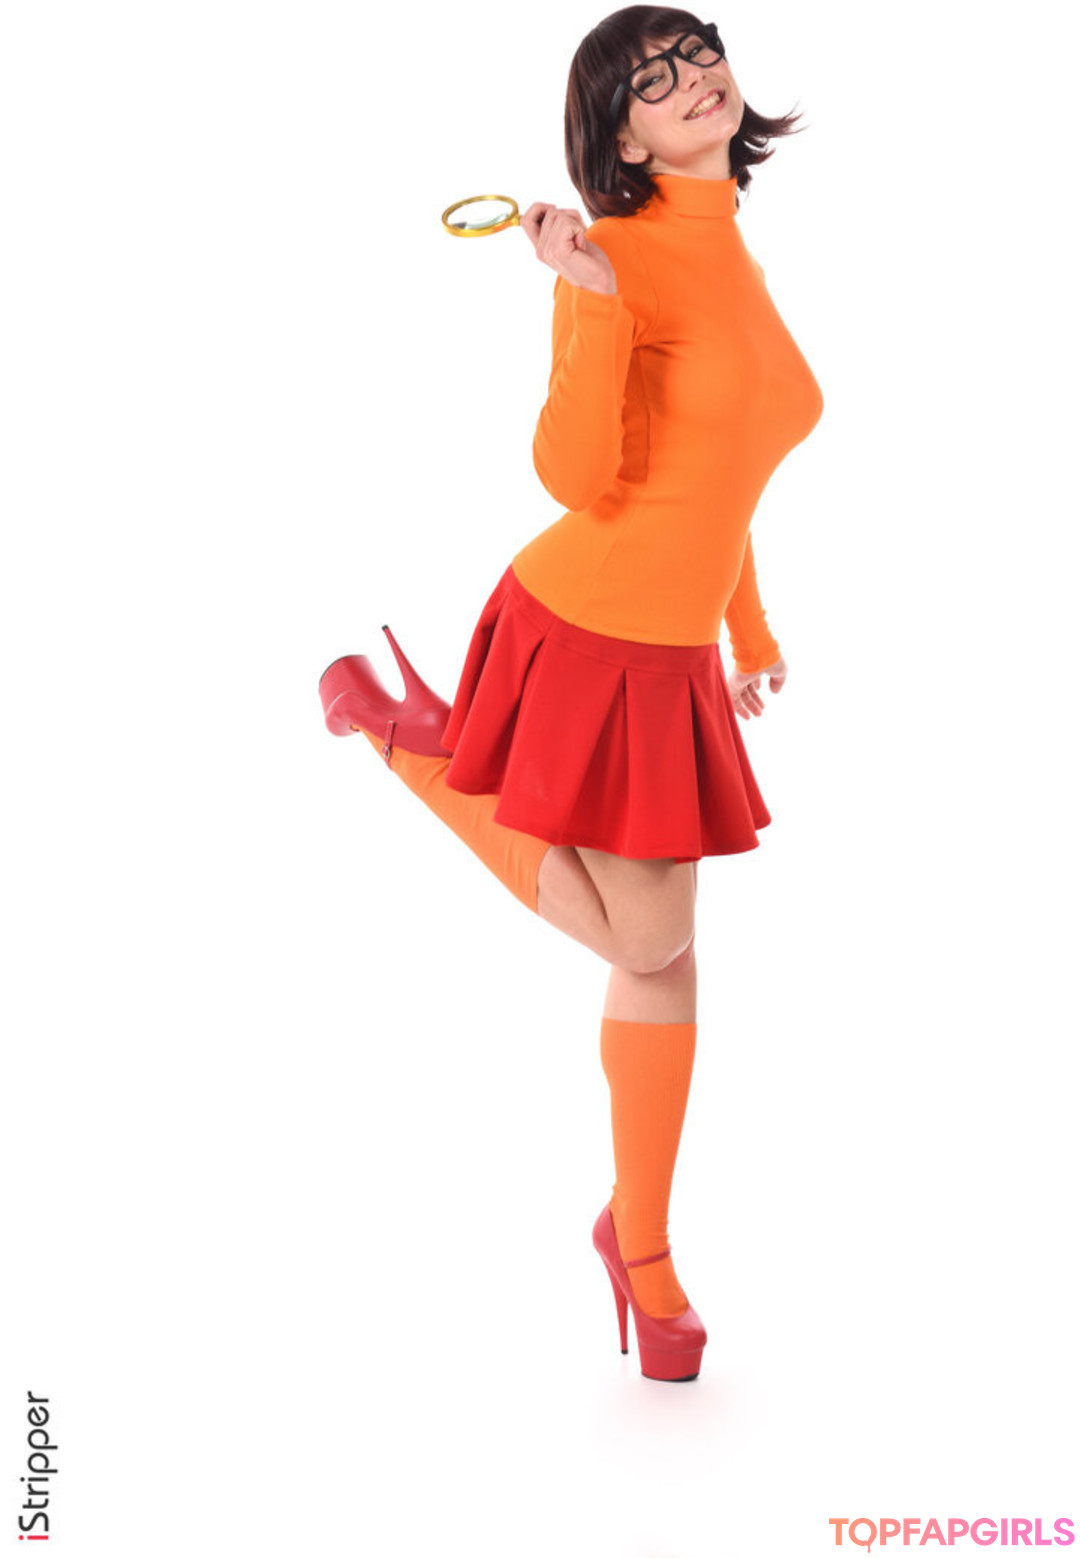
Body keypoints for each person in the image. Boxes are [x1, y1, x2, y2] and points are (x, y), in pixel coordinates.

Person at [319, 5, 823, 1383]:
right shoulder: (624, 256)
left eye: (698, 54)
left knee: (658, 949)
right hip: (588, 627)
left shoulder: (729, 248)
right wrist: (585, 296)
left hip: (672, 652)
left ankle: (637, 1245)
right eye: (653, 82)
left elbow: (720, 479)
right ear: (622, 140)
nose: (693, 80)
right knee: (656, 944)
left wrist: (749, 631)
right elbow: (577, 475)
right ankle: (413, 744)